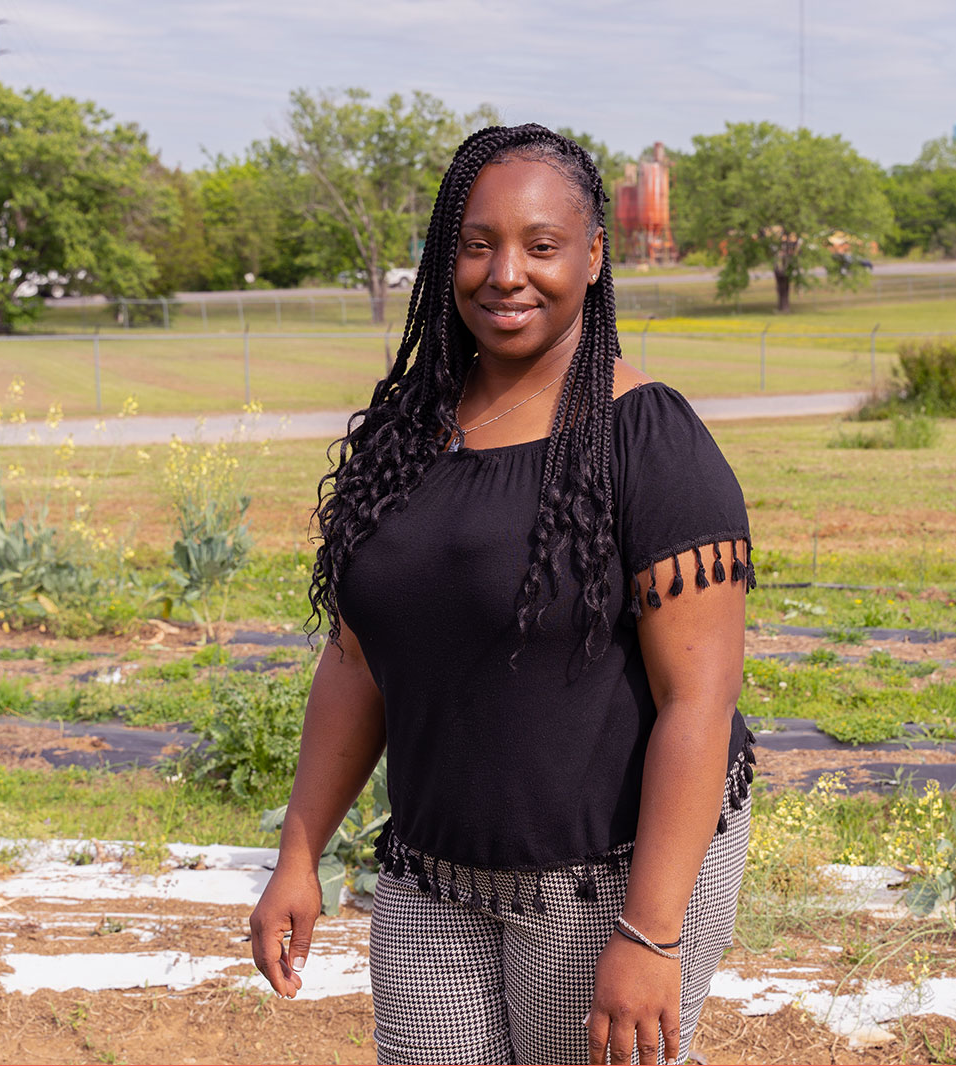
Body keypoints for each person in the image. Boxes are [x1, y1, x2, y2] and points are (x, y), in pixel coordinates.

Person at [249, 123, 755, 1066]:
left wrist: (650, 934)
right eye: (476, 244)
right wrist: (298, 855)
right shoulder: (405, 439)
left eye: (541, 245)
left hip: (607, 877)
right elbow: (357, 662)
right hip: (433, 879)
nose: (505, 273)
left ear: (595, 257)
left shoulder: (647, 440)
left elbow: (700, 701)